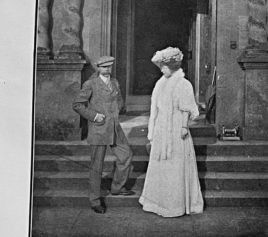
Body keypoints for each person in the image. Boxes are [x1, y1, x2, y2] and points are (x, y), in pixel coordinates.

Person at [139, 47, 204, 218]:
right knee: (161, 165)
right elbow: (156, 108)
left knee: (175, 165)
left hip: (176, 128)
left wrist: (183, 127)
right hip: (162, 127)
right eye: (161, 67)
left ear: (173, 66)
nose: (162, 70)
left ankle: (175, 205)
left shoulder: (183, 83)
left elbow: (186, 108)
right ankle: (159, 203)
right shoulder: (161, 83)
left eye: (164, 67)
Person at [72, 55, 134, 214]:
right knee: (96, 166)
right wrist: (94, 116)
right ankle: (95, 201)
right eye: (104, 67)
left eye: (109, 66)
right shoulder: (90, 84)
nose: (107, 69)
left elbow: (119, 101)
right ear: (98, 68)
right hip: (98, 129)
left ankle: (117, 187)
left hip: (114, 127)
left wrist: (117, 111)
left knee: (126, 155)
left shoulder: (115, 82)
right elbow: (77, 104)